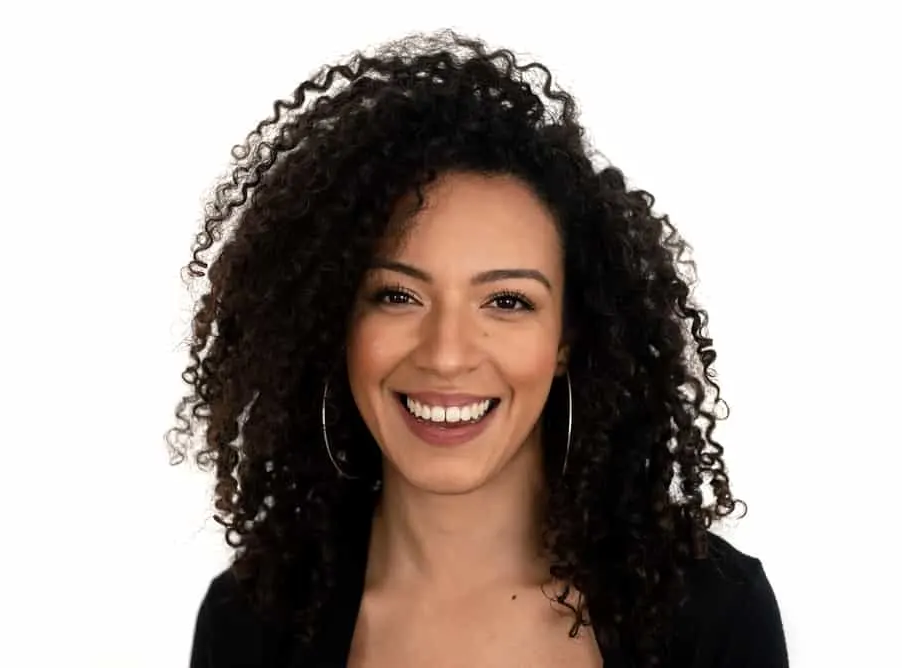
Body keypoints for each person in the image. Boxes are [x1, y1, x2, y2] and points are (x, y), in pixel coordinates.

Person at [169, 29, 788, 668]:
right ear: (336, 322)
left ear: (567, 339)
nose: (446, 354)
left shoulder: (709, 614)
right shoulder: (252, 622)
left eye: (508, 302)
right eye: (398, 296)